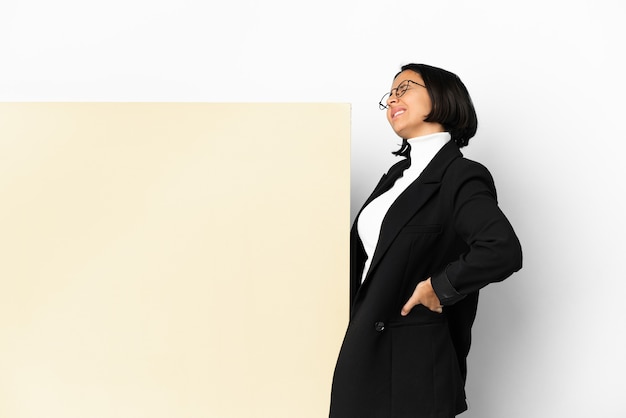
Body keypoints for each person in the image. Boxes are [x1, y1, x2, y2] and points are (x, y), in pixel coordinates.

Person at [329, 63, 522, 417]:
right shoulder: (395, 178)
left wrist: (440, 286)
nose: (393, 99)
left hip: (412, 368)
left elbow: (501, 249)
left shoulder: (460, 176)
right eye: (390, 93)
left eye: (405, 87)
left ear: (442, 96)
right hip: (363, 353)